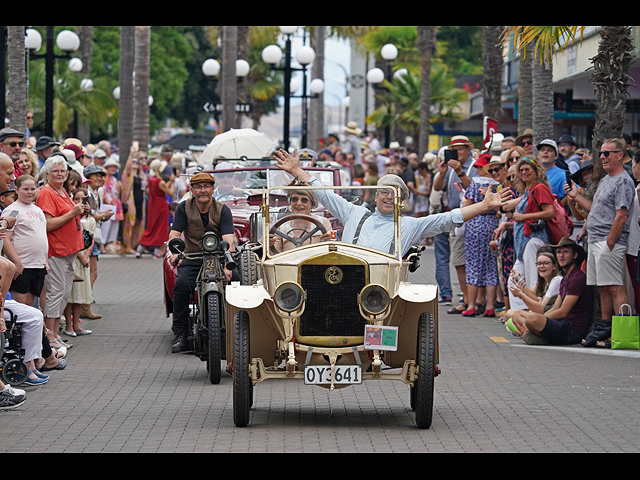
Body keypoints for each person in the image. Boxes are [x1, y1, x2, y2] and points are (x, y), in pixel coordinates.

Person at [273, 149, 512, 258]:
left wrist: (485, 205)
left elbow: (449, 218)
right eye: (384, 192)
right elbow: (323, 193)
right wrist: (297, 170)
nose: (389, 196)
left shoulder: (409, 225)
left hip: (380, 292)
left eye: (395, 194)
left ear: (402, 202)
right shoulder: (355, 213)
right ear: (375, 196)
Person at [566, 138, 636, 325]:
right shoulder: (606, 179)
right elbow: (593, 208)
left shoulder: (622, 181)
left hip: (608, 241)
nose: (602, 157)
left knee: (615, 287)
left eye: (607, 153)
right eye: (601, 153)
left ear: (620, 155)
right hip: (596, 239)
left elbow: (621, 216)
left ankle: (623, 330)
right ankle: (605, 328)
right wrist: (575, 196)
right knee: (603, 288)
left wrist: (610, 243)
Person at [168, 173, 237, 354]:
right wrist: (176, 252)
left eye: (207, 186)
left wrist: (227, 265)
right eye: (198, 187)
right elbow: (174, 234)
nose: (203, 190)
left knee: (238, 282)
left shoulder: (223, 210)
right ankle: (181, 334)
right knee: (181, 286)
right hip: (193, 257)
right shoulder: (184, 208)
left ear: (213, 189)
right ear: (192, 190)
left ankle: (239, 330)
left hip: (218, 257)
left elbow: (229, 240)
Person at [36, 155, 89, 350]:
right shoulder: (46, 193)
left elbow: (67, 218)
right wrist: (72, 213)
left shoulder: (62, 191)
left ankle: (55, 334)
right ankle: (50, 336)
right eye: (56, 171)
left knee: (64, 293)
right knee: (56, 293)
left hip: (69, 251)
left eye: (63, 171)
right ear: (47, 174)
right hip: (56, 251)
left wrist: (80, 212)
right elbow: (48, 224)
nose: (60, 174)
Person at [514, 238, 594, 346]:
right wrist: (539, 320)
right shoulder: (565, 278)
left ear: (574, 256)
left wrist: (537, 321)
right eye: (559, 252)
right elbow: (555, 308)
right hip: (561, 324)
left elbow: (563, 311)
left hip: (573, 330)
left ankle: (540, 336)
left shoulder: (578, 278)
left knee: (531, 319)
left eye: (565, 252)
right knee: (522, 317)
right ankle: (540, 336)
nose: (561, 255)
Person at [432, 136, 479, 306]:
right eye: (454, 149)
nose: (457, 152)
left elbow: (475, 190)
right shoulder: (450, 168)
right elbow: (437, 187)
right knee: (458, 261)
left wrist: (460, 171)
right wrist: (443, 171)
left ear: (468, 150)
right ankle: (466, 300)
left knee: (470, 261)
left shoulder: (474, 166)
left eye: (460, 149)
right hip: (454, 218)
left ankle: (471, 301)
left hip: (472, 219)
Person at [505, 158, 555, 311]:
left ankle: (537, 316)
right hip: (523, 244)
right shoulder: (528, 190)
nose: (524, 172)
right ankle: (521, 316)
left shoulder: (540, 188)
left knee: (534, 281)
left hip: (534, 241)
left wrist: (523, 217)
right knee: (514, 281)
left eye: (527, 169)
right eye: (521, 170)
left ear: (536, 171)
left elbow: (550, 212)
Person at [461, 155, 502, 318]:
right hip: (492, 224)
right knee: (491, 265)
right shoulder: (499, 185)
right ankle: (490, 306)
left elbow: (467, 205)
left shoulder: (474, 183)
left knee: (472, 265)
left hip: (475, 224)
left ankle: (471, 305)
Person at [2, 175, 48, 309]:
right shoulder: (12, 210)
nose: (30, 192)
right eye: (25, 189)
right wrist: (17, 262)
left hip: (38, 264)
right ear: (16, 190)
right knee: (20, 305)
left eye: (33, 189)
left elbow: (42, 236)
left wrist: (45, 261)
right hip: (23, 265)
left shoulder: (38, 209)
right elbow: (5, 238)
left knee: (31, 304)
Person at [506, 250, 562, 332]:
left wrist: (521, 295)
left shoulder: (556, 280)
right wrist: (521, 284)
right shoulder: (545, 281)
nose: (541, 266)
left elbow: (541, 309)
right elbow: (535, 297)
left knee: (514, 317)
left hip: (550, 319)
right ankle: (525, 330)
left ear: (554, 266)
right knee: (510, 313)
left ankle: (525, 331)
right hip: (544, 316)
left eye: (545, 263)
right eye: (539, 264)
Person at [63, 188, 94, 338]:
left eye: (83, 200)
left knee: (79, 295)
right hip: (75, 258)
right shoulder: (72, 217)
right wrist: (81, 257)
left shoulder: (91, 219)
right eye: (77, 199)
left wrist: (87, 255)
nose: (80, 202)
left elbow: (91, 239)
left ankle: (76, 324)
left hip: (84, 260)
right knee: (70, 295)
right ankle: (68, 326)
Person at [269, 187, 333, 254]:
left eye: (304, 200)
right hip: (289, 263)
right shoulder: (280, 227)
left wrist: (328, 241)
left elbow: (332, 247)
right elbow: (274, 255)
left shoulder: (323, 222)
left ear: (312, 205)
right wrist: (269, 243)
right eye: (294, 199)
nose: (298, 203)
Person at [137, 159, 174, 258]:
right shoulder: (160, 181)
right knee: (161, 227)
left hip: (152, 203)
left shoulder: (149, 179)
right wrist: (172, 182)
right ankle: (157, 250)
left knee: (150, 226)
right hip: (160, 204)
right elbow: (170, 193)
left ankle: (140, 248)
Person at [121, 147, 148, 255]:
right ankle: (127, 246)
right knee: (129, 224)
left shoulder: (141, 175)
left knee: (138, 224)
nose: (136, 163)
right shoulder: (128, 175)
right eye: (134, 162)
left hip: (140, 202)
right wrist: (131, 153)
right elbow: (127, 168)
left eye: (137, 162)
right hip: (131, 202)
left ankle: (133, 245)